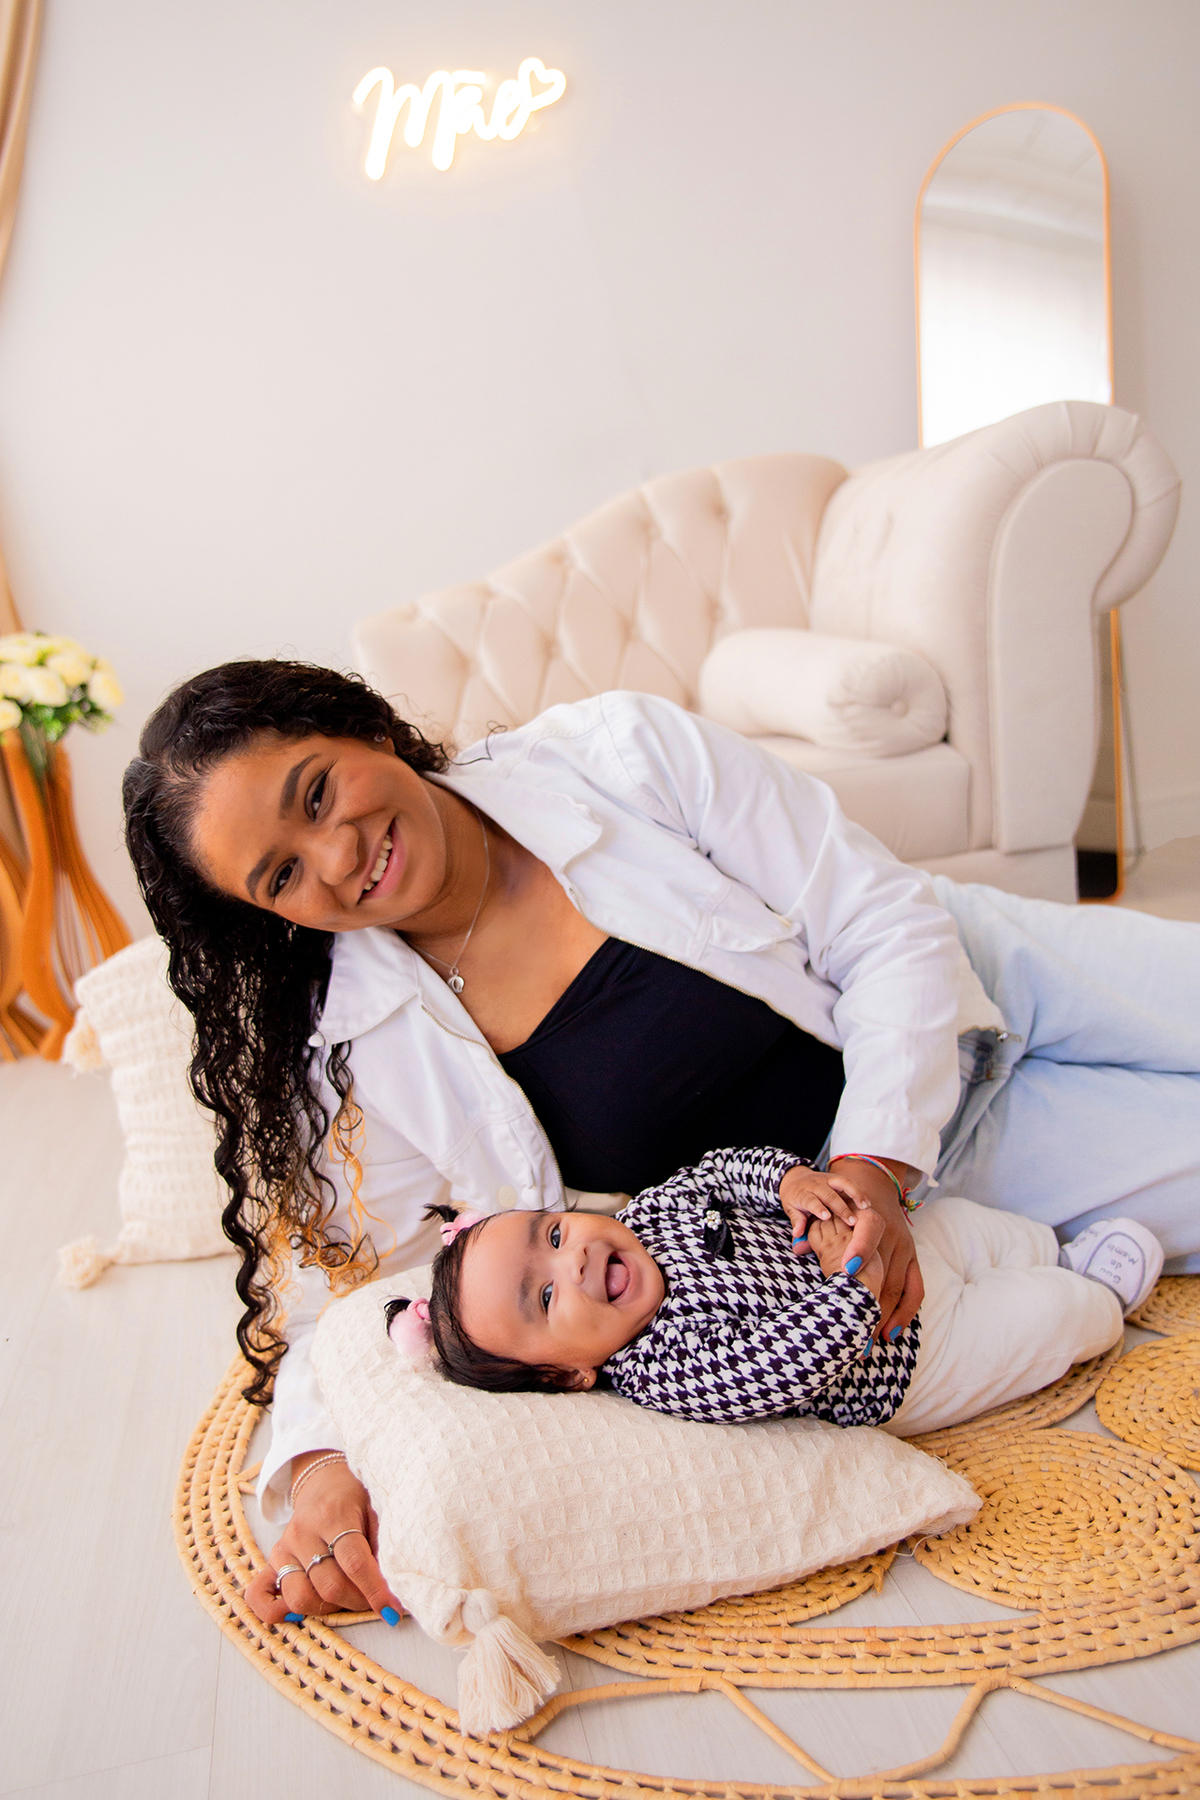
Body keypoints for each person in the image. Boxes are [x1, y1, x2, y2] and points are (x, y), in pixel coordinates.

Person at [121, 660, 1200, 1627]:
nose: (339, 854)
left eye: (318, 792)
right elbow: (356, 1283)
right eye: (280, 875)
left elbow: (881, 922)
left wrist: (871, 1167)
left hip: (971, 988)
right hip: (970, 1173)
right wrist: (315, 1465)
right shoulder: (357, 1048)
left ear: (362, 726)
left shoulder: (618, 751)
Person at [392, 1147, 1160, 1437]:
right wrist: (851, 1283)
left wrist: (791, 1181)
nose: (577, 1261)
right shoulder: (667, 1367)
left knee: (970, 1226)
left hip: (887, 1243)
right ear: (569, 1373)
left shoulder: (648, 1214)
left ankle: (1051, 1248)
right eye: (546, 1300)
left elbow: (718, 1169)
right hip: (905, 1356)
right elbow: (780, 1364)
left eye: (554, 1235)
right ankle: (1092, 1296)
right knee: (1034, 1324)